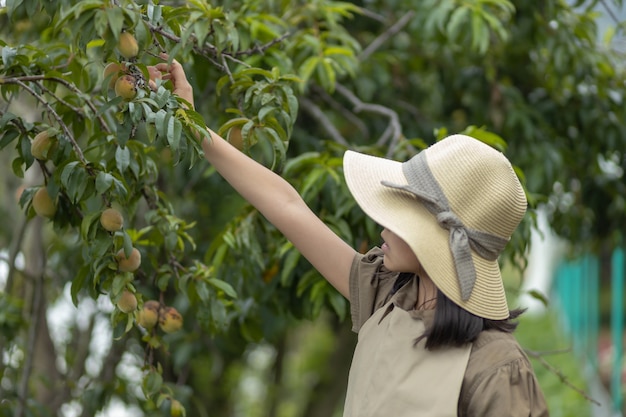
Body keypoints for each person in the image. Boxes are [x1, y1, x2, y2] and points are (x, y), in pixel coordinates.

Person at [149, 57, 550, 417]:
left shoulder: (495, 366)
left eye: (401, 217)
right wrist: (191, 124)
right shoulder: (386, 294)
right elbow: (287, 206)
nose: (381, 227)